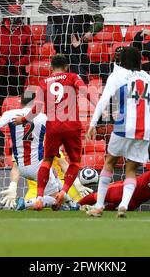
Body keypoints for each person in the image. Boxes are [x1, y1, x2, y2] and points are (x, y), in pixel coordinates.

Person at [0, 92, 87, 210]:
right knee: (55, 197)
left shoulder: (10, 113)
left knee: (54, 174)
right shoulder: (43, 117)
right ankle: (26, 203)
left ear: (21, 102)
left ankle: (71, 204)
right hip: (38, 167)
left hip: (21, 167)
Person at [86, 47, 150, 218]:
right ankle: (124, 205)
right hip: (145, 128)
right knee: (131, 168)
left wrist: (93, 123)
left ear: (122, 60)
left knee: (110, 161)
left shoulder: (117, 75)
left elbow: (104, 100)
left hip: (125, 125)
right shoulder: (148, 78)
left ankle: (99, 206)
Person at [13, 54, 90, 211]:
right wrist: (99, 107)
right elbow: (85, 91)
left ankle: (40, 197)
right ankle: (63, 192)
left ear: (51, 67)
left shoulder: (43, 83)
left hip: (53, 126)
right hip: (72, 125)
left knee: (47, 160)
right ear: (66, 66)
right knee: (74, 162)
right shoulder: (73, 76)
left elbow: (37, 108)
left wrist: (24, 119)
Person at [38, 0, 104, 84]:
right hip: (60, 49)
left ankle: (82, 99)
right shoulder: (59, 1)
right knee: (59, 81)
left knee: (80, 78)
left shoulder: (87, 3)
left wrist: (91, 32)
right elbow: (41, 9)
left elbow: (99, 21)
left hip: (78, 49)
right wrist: (51, 3)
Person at [0, 4, 36, 107]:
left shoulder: (26, 30)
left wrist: (18, 64)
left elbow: (31, 52)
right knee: (1, 99)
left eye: (16, 14)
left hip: (18, 72)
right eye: (11, 14)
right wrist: (3, 63)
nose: (14, 17)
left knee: (17, 99)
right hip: (0, 71)